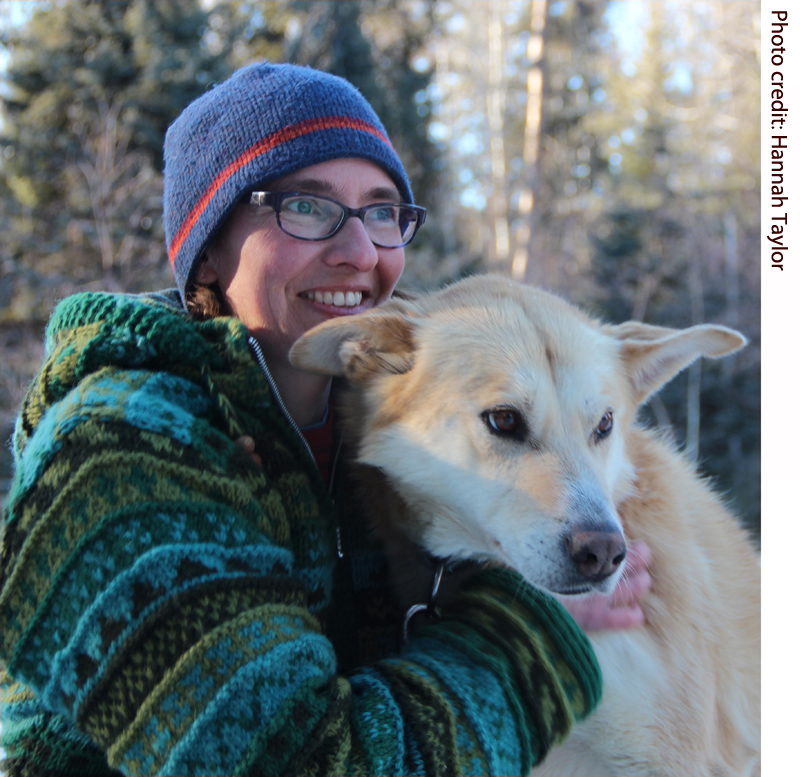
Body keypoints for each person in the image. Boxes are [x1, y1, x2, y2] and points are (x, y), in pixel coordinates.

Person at [0, 62, 650, 777]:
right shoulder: (114, 455)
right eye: (305, 207)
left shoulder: (391, 430)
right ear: (208, 253)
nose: (360, 251)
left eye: (381, 211)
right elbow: (305, 763)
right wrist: (536, 633)